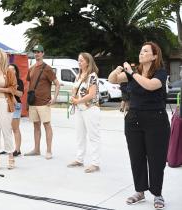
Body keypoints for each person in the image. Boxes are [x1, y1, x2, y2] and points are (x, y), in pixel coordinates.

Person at [108, 42, 170, 209]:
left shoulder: (160, 72)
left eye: (145, 51)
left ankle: (157, 193)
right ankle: (140, 191)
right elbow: (112, 79)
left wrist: (131, 73)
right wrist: (118, 70)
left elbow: (150, 85)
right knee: (137, 157)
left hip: (156, 121)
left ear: (154, 56)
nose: (141, 53)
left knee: (156, 159)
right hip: (134, 119)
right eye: (140, 50)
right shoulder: (133, 73)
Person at [24, 44, 60, 159]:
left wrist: (54, 98)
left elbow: (57, 84)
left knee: (47, 125)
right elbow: (30, 84)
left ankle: (49, 151)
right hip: (33, 102)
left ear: (43, 53)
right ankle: (36, 149)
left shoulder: (47, 68)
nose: (36, 54)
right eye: (35, 52)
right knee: (36, 126)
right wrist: (27, 102)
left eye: (39, 52)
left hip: (44, 102)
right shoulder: (32, 68)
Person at [67, 52, 101, 173]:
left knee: (93, 136)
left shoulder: (92, 76)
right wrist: (73, 98)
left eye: (81, 60)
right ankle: (79, 159)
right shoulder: (79, 75)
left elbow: (91, 95)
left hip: (90, 109)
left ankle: (95, 163)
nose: (79, 62)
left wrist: (77, 100)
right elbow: (74, 89)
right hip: (79, 109)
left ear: (88, 62)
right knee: (79, 135)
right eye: (78, 60)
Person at [9, 64, 24, 157]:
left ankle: (17, 149)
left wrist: (11, 89)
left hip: (16, 105)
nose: (10, 71)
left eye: (12, 69)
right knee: (7, 129)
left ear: (16, 71)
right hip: (6, 105)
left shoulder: (19, 81)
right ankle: (8, 148)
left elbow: (20, 94)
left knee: (15, 128)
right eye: (8, 69)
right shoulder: (5, 80)